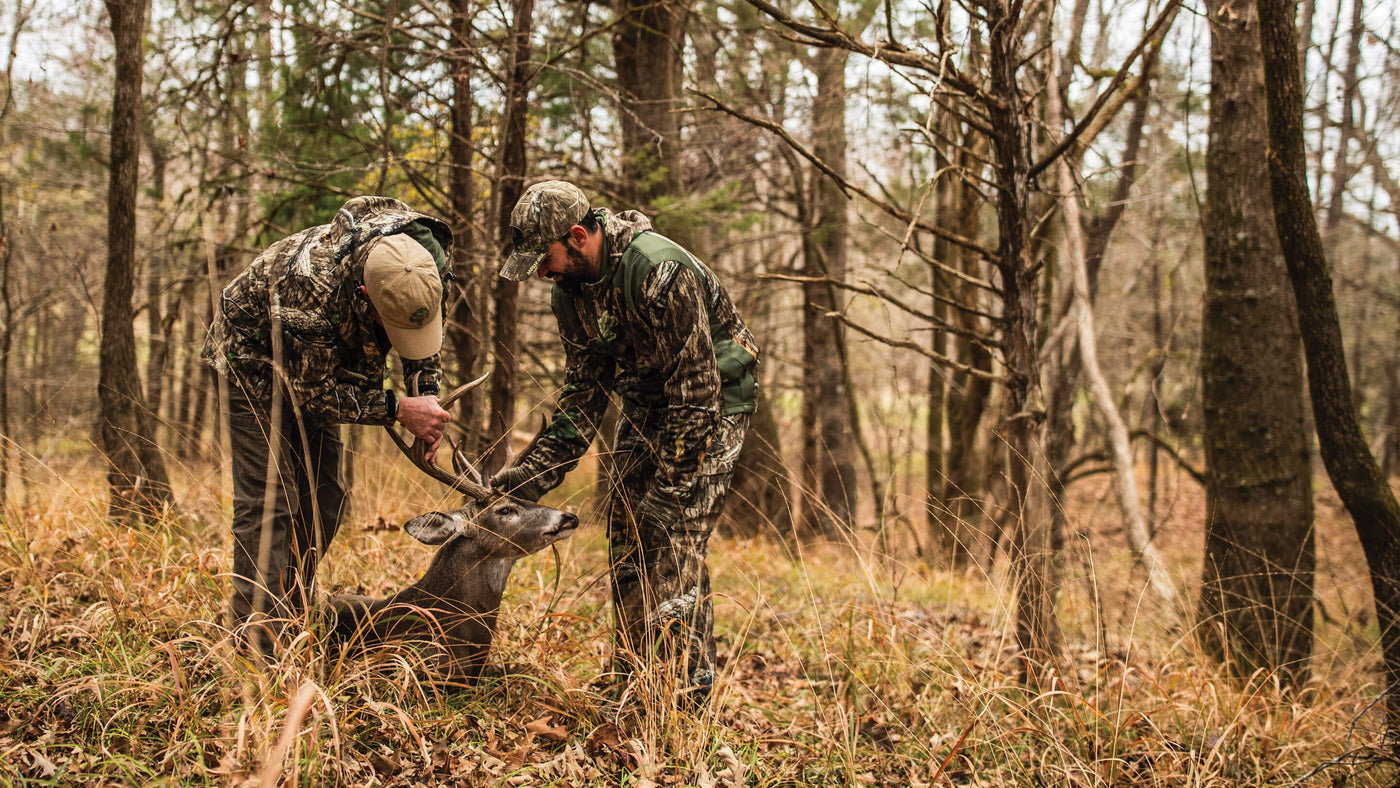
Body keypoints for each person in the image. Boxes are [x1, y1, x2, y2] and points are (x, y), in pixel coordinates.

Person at [491, 180, 760, 705]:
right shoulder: (568, 295)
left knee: (671, 532)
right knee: (627, 532)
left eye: (544, 259)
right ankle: (634, 679)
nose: (542, 273)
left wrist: (672, 486)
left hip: (713, 400)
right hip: (648, 400)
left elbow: (697, 390)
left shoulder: (661, 271)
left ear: (577, 236)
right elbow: (582, 397)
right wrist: (527, 478)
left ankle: (683, 699)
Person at [202, 196, 454, 656]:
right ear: (364, 295)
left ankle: (291, 605)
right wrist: (399, 408)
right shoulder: (311, 289)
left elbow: (424, 341)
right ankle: (256, 644)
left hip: (323, 362)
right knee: (270, 500)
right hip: (254, 357)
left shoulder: (423, 265)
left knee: (327, 494)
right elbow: (312, 394)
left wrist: (428, 404)